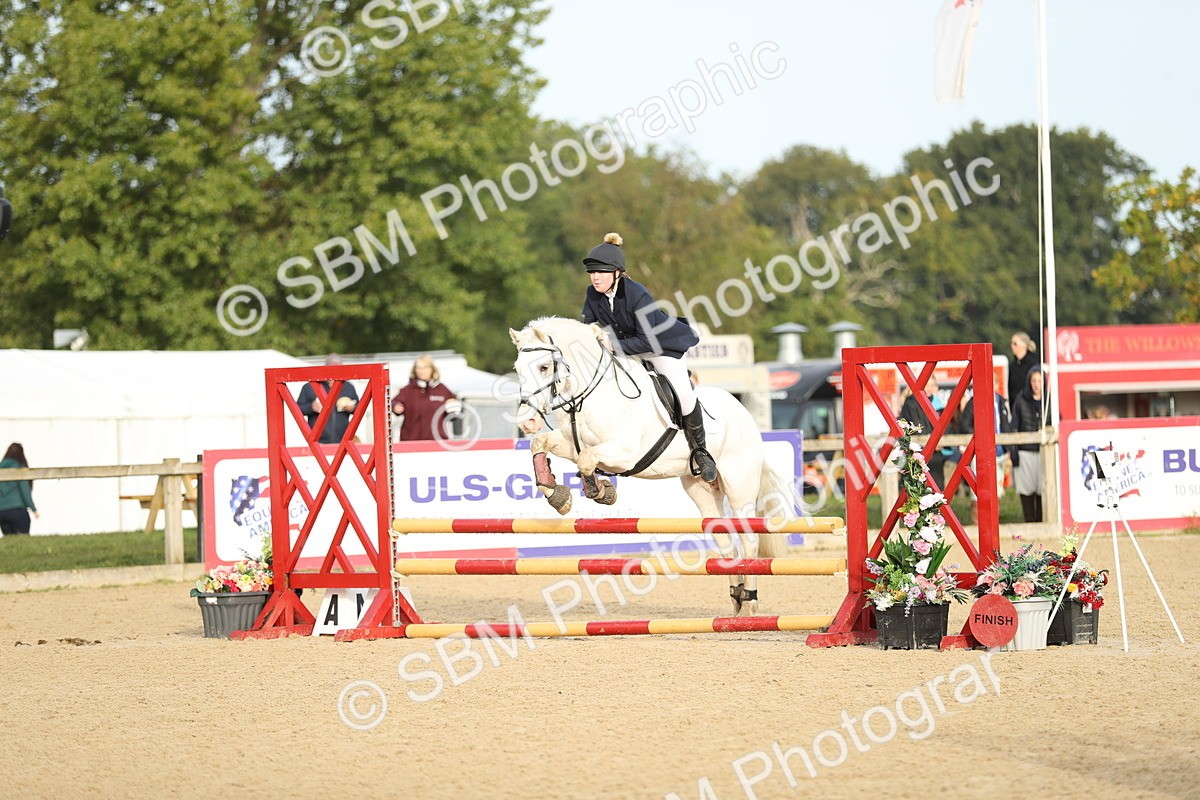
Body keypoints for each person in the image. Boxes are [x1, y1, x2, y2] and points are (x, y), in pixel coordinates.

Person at [579, 232, 715, 482]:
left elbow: (646, 341)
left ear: (617, 272)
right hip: (626, 347)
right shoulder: (592, 294)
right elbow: (586, 329)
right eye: (592, 272)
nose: (595, 277)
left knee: (683, 393)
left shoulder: (637, 294)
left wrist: (610, 343)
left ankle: (701, 452)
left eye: (601, 272)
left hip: (658, 347)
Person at [957, 375, 1014, 522]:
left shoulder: (1001, 401)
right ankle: (978, 522)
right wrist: (979, 436)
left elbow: (1006, 425)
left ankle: (993, 522)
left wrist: (1009, 447)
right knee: (977, 490)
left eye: (992, 383)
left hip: (999, 451)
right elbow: (963, 424)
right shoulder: (974, 401)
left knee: (997, 490)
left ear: (996, 384)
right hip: (980, 453)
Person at [391, 354, 461, 441]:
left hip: (438, 442)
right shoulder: (408, 390)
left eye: (424, 367)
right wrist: (395, 406)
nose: (421, 371)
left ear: (432, 369)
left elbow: (454, 415)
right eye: (418, 368)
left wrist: (453, 408)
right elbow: (392, 403)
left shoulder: (442, 390)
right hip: (411, 442)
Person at [1010, 367, 1048, 522]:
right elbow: (1014, 427)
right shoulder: (1021, 400)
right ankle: (1029, 521)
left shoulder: (1049, 401)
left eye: (1039, 381)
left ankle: (1041, 521)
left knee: (1042, 488)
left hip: (1044, 451)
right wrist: (1014, 453)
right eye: (1033, 381)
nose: (1036, 384)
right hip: (1025, 450)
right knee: (1026, 488)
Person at [297, 354, 359, 444]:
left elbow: (359, 407)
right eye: (332, 369)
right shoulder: (310, 387)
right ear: (325, 368)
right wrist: (311, 407)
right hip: (317, 442)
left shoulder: (348, 387)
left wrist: (352, 408)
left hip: (343, 440)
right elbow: (298, 408)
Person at [897, 375, 947, 488]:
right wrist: (933, 442)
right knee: (917, 489)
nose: (929, 388)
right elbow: (916, 427)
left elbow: (946, 426)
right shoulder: (912, 403)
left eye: (932, 385)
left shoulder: (938, 404)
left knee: (936, 489)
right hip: (919, 452)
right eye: (926, 385)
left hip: (935, 453)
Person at [0, 443, 38, 535]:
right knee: (23, 540)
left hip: (2, 511)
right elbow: (25, 492)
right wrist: (34, 509)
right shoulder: (19, 469)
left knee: (9, 542)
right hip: (17, 510)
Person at [1007, 331, 1040, 415]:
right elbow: (1011, 389)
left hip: (1031, 408)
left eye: (1015, 344)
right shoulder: (1013, 365)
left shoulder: (1033, 363)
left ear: (1024, 345)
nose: (1012, 346)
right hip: (1016, 409)